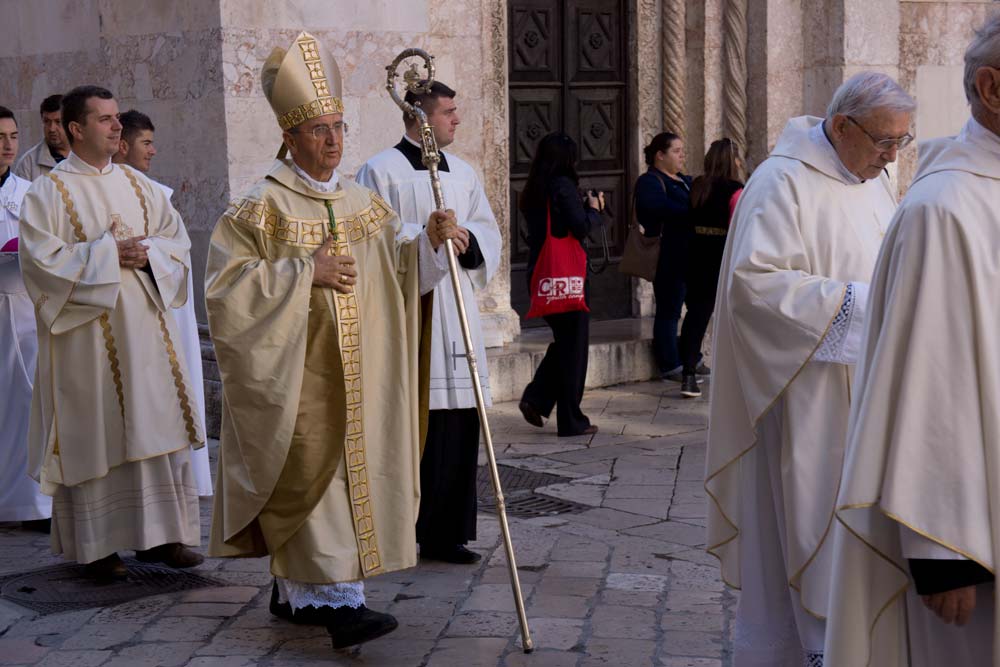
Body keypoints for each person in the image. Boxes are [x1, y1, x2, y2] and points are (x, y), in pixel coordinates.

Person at [205, 32, 459, 650]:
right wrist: (301, 273)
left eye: (339, 127)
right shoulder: (258, 207)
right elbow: (225, 290)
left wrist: (427, 240)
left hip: (359, 376)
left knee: (348, 483)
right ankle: (340, 608)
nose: (334, 140)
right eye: (319, 129)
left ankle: (298, 593)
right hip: (296, 381)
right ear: (289, 137)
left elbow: (398, 273)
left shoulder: (362, 203)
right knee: (311, 482)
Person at [704, 72, 915, 666]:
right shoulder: (782, 182)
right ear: (842, 125)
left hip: (869, 389)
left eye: (900, 142)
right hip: (807, 396)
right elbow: (754, 288)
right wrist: (870, 305)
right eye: (882, 141)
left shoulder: (873, 181)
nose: (890, 156)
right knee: (814, 530)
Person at [825, 17, 1000, 666]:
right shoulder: (944, 210)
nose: (893, 152)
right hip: (969, 537)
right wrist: (941, 552)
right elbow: (935, 381)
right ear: (992, 88)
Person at [19, 85, 205, 580]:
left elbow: (176, 243)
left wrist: (150, 255)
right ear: (76, 129)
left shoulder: (141, 185)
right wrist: (108, 255)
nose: (116, 126)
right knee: (97, 433)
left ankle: (162, 539)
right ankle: (98, 547)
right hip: (88, 343)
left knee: (154, 425)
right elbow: (41, 264)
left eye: (117, 116)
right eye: (103, 119)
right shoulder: (48, 192)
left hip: (146, 337)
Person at [356, 81, 501, 565]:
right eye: (448, 113)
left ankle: (449, 534)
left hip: (458, 313)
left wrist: (467, 240)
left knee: (460, 422)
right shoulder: (379, 172)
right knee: (420, 423)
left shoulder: (463, 172)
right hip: (414, 314)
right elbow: (376, 242)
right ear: (420, 119)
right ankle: (404, 529)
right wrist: (429, 239)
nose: (456, 120)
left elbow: (486, 228)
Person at [112, 109, 212, 497]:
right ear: (123, 145)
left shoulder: (155, 195)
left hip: (169, 306)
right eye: (146, 143)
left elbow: (179, 249)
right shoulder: (114, 194)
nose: (153, 151)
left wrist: (153, 252)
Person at [518, 132, 604, 437]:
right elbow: (579, 226)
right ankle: (571, 419)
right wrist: (594, 210)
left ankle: (536, 398)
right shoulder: (563, 186)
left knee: (566, 344)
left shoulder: (533, 189)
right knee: (574, 348)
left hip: (541, 275)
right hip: (566, 277)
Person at [0, 106, 51, 532]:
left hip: (23, 308)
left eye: (14, 136)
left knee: (29, 403)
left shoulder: (31, 192)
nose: (7, 145)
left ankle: (32, 504)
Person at [677, 138, 744, 398]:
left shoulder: (697, 185)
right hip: (721, 258)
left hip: (695, 256)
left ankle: (688, 374)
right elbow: (738, 226)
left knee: (696, 315)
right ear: (732, 161)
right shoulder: (735, 189)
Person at [634, 132, 701, 382]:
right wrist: (692, 211)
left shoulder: (684, 180)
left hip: (690, 254)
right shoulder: (650, 181)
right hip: (668, 255)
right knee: (669, 309)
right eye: (676, 151)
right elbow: (655, 209)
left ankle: (691, 357)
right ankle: (670, 363)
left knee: (694, 309)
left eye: (683, 150)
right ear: (659, 155)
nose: (682, 155)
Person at [14, 95, 68, 182]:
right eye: (47, 121)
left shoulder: (87, 157)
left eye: (58, 122)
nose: (51, 128)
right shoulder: (28, 163)